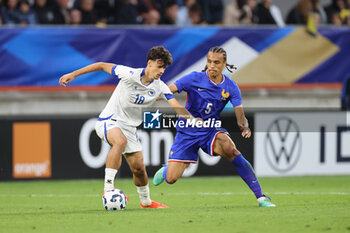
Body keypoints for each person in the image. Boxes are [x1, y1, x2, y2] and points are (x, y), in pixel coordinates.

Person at [59, 46, 195, 209]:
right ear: (149, 63)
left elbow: (175, 105)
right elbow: (101, 65)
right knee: (120, 142)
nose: (161, 71)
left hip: (130, 128)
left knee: (139, 169)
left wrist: (193, 119)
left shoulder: (160, 87)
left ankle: (146, 202)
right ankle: (108, 189)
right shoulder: (129, 74)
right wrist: (73, 74)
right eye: (159, 66)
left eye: (164, 68)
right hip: (109, 120)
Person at [153, 46, 276, 208]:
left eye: (216, 62)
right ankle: (167, 169)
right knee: (171, 179)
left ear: (224, 64)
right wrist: (153, 95)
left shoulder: (231, 87)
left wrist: (244, 126)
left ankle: (261, 198)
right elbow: (169, 91)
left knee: (232, 150)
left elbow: (241, 116)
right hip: (187, 132)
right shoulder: (193, 79)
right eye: (209, 61)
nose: (212, 65)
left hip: (210, 131)